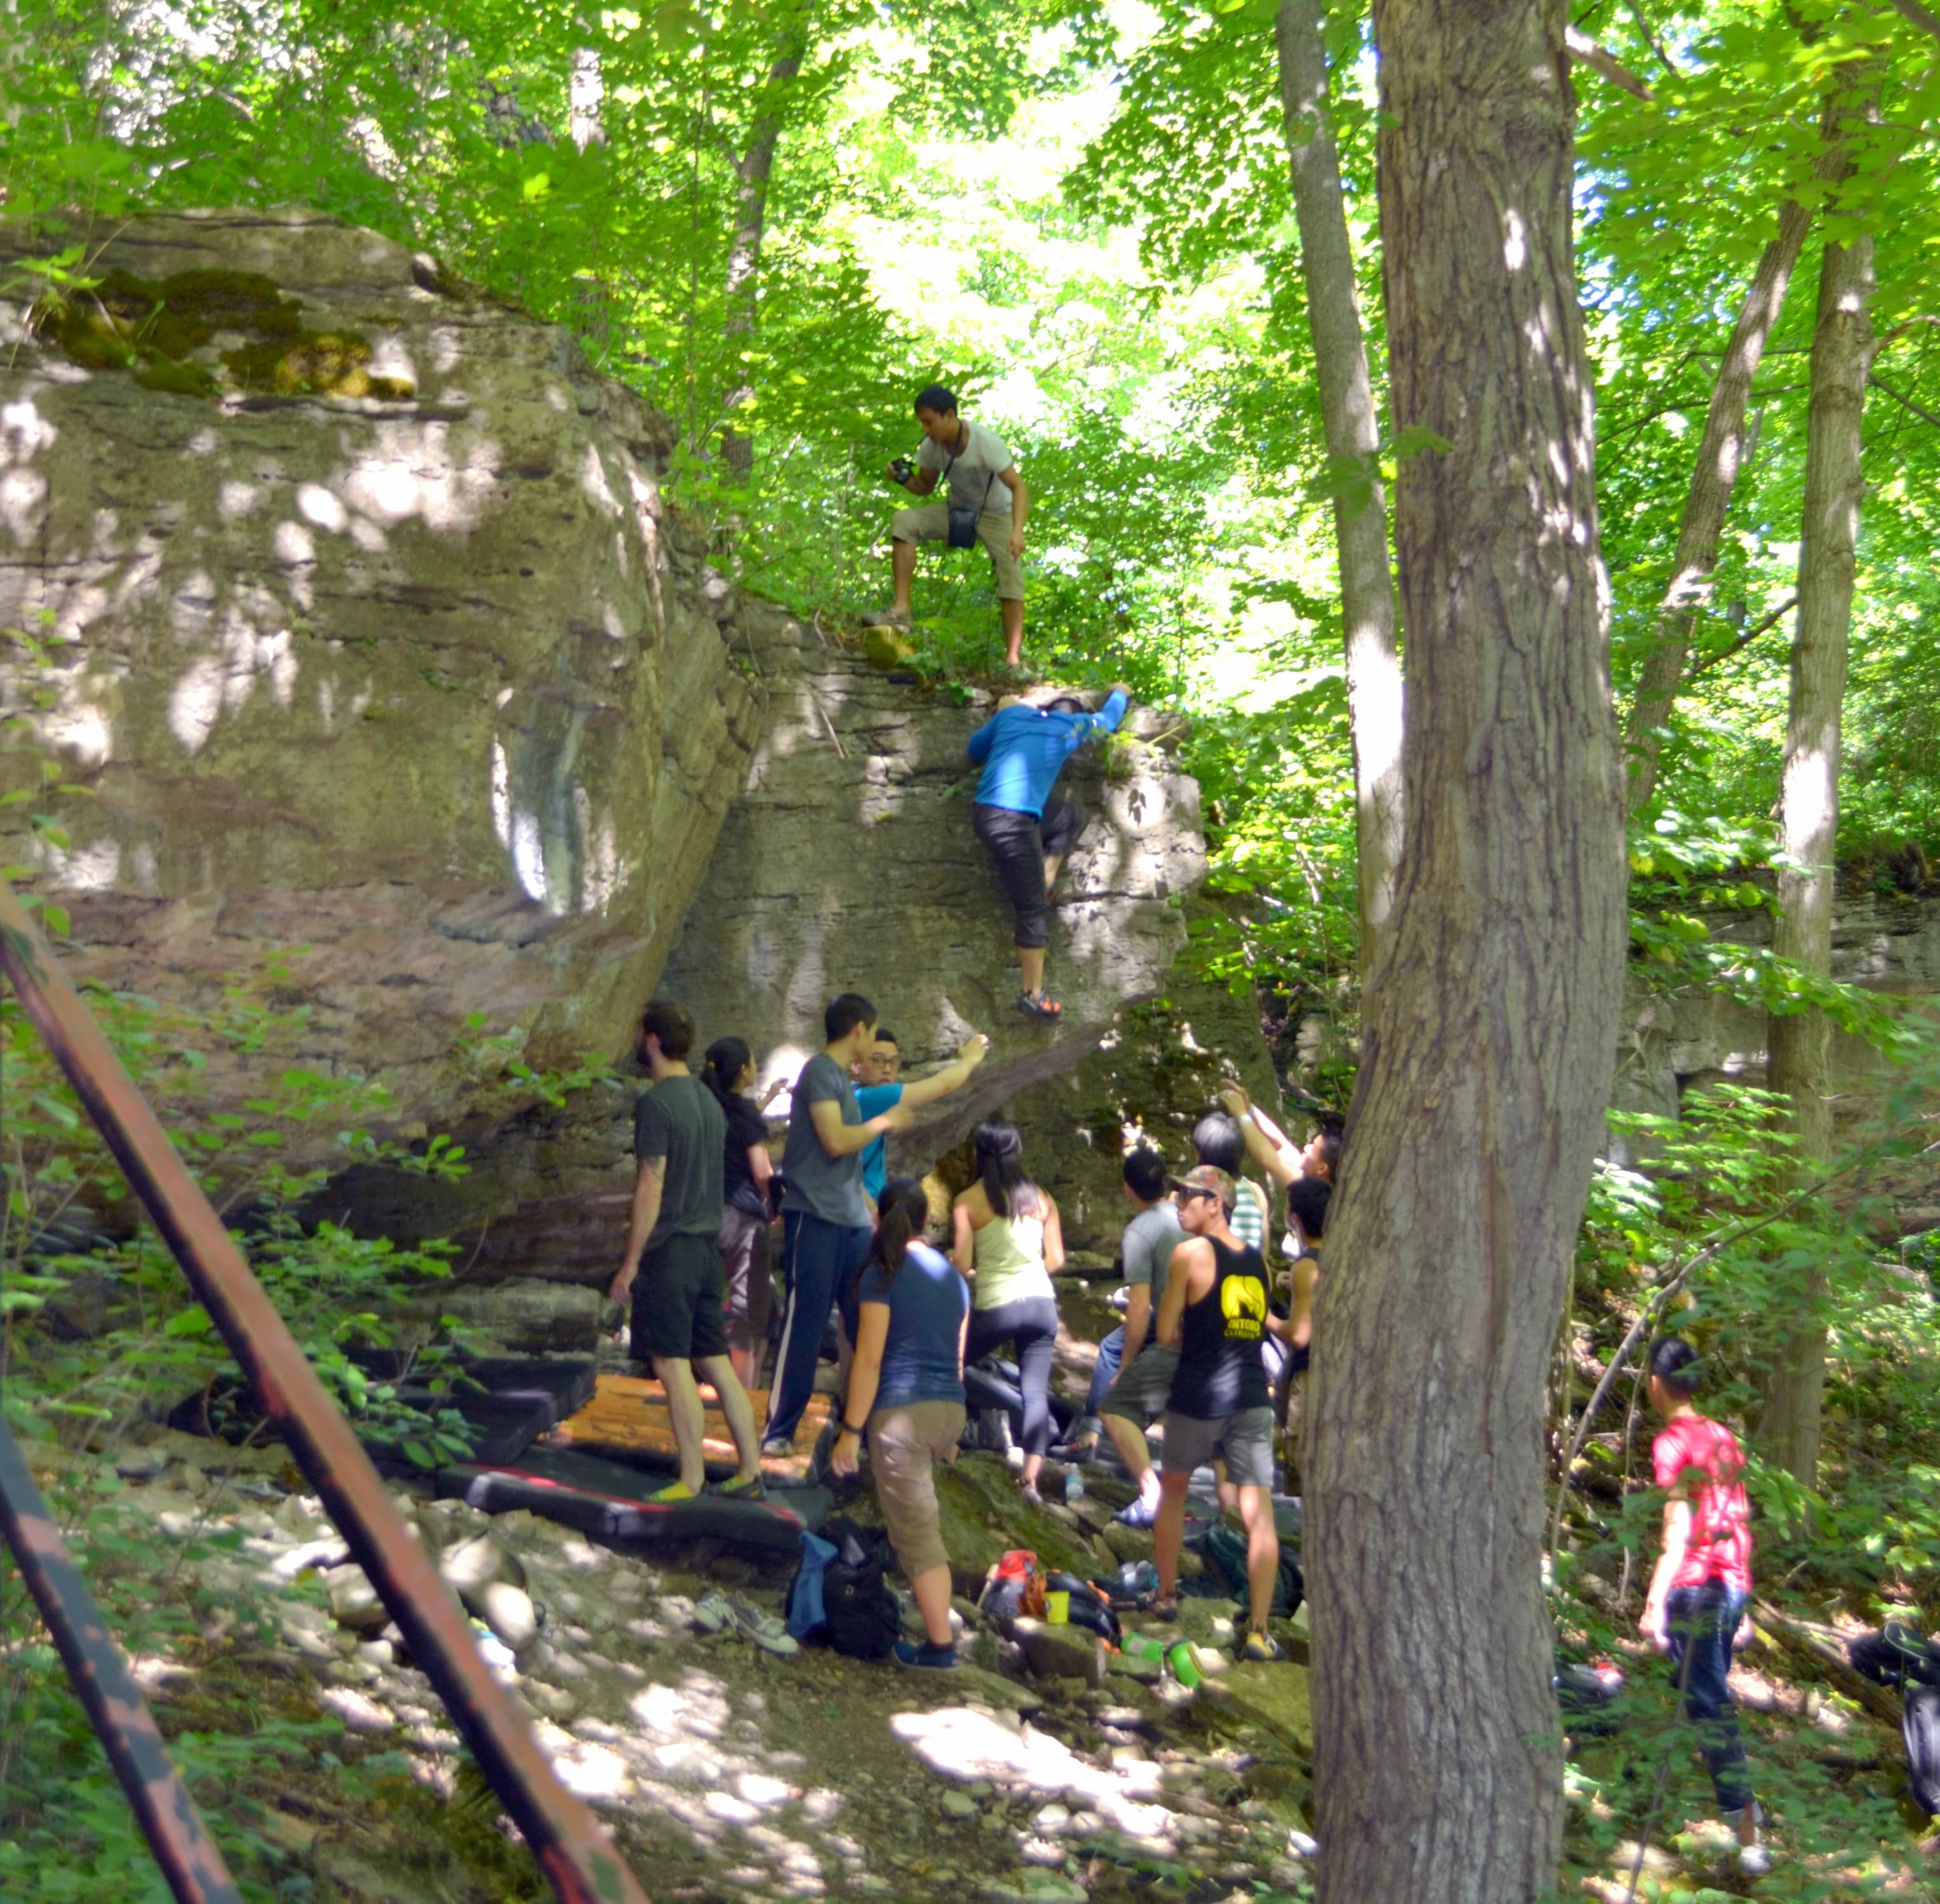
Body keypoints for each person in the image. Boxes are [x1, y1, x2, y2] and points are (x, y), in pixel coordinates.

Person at [606, 1000, 765, 1503]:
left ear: (651, 1039)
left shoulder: (658, 1104)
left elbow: (650, 1183)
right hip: (706, 1250)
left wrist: (630, 1263)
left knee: (673, 1365)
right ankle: (750, 1470)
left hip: (671, 1250)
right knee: (715, 1362)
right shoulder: (708, 1101)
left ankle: (691, 1479)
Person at [1145, 1165, 1289, 1661]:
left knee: (1173, 1494)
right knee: (1260, 1515)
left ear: (1216, 1204)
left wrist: (1197, 1337)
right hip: (1251, 1399)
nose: (1179, 1202)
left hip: (1198, 1398)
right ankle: (1258, 1628)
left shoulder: (1188, 1255)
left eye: (1189, 1196)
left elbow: (1165, 1333)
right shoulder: (1257, 1261)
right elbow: (1252, 1326)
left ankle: (1164, 1596)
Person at [829, 1177, 972, 1673]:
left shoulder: (881, 1273)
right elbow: (957, 1357)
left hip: (901, 1414)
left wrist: (850, 1430)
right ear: (926, 1222)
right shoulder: (954, 1277)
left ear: (879, 1220)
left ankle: (939, 1646)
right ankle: (926, 1611)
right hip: (949, 1411)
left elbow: (868, 1359)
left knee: (917, 1534)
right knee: (913, 1525)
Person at [763, 993, 914, 1457]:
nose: (872, 1046)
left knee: (864, 1318)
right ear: (858, 1031)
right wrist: (885, 1121)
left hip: (850, 1219)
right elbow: (834, 1141)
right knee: (806, 1323)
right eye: (872, 1035)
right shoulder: (819, 1074)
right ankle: (780, 1430)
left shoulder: (845, 1084)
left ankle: (869, 1426)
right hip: (814, 1216)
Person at [1640, 1337, 1768, 1874]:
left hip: (1696, 1589)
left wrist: (1654, 1603)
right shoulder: (1722, 1438)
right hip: (1730, 1588)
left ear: (1654, 1383)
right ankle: (1739, 1822)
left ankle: (1749, 1832)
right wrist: (1745, 1599)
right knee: (1702, 1700)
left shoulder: (1671, 1443)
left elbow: (1679, 1530)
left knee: (1711, 1711)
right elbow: (1736, 1521)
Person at [966, 684, 1132, 1021]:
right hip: (1013, 823)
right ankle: (1033, 995)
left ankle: (1046, 874)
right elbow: (1110, 720)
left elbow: (973, 749)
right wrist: (1120, 693)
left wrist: (1005, 714)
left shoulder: (1012, 715)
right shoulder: (1070, 727)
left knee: (1068, 816)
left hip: (988, 813)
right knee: (1032, 909)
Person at [863, 385, 1031, 667]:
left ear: (950, 415)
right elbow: (924, 488)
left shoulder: (985, 442)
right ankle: (901, 611)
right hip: (958, 509)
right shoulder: (931, 449)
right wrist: (903, 479)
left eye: (930, 421)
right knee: (904, 521)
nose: (926, 429)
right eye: (922, 423)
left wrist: (1017, 531)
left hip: (996, 514)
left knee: (1011, 571)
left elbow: (1019, 487)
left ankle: (1013, 657)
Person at [951, 1119, 1066, 1505]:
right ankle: (1031, 1480)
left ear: (977, 1155)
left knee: (949, 1365)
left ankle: (945, 1443)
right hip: (1041, 1304)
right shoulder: (1042, 1199)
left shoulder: (968, 1201)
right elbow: (1057, 1259)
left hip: (996, 1306)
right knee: (1035, 1393)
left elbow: (962, 1264)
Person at [1088, 1147, 1184, 1529]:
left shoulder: (1140, 1231)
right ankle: (1090, 1436)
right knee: (1109, 1347)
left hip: (1175, 1325)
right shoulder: (1186, 1213)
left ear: (1129, 1189)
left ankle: (1150, 1494)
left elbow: (1139, 1307)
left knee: (1115, 1404)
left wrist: (1128, 1366)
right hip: (1202, 1319)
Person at [699, 1037, 787, 1391]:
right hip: (742, 1217)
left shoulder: (707, 1106)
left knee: (710, 1298)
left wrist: (764, 1102)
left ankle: (703, 1378)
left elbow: (739, 1120)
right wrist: (774, 1209)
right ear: (745, 1071)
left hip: (706, 1213)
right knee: (747, 1309)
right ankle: (740, 1392)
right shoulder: (744, 1115)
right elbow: (763, 1173)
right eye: (753, 1061)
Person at [852, 1026, 993, 1206]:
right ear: (856, 1065)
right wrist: (970, 1060)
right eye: (878, 1061)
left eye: (893, 1062)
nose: (887, 1069)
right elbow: (944, 1084)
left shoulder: (853, 1093)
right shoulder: (871, 1097)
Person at [1190, 1110, 1272, 1254]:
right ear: (1241, 1154)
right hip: (1250, 1273)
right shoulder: (1256, 1192)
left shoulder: (1192, 1193)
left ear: (1199, 1155)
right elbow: (1263, 1250)